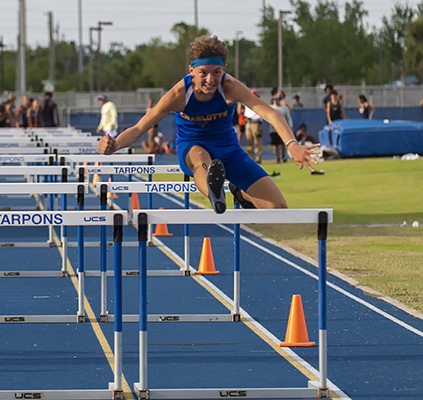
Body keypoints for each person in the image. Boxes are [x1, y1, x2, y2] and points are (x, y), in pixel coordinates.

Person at [98, 35, 319, 214]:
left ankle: (239, 192)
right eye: (203, 73)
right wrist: (115, 144)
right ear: (191, 70)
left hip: (229, 151)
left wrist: (292, 145)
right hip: (192, 150)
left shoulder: (230, 86)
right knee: (200, 156)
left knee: (278, 209)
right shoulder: (178, 94)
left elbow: (270, 113)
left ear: (224, 69)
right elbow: (139, 128)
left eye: (217, 72)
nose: (211, 80)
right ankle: (215, 193)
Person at [270, 95, 293, 163]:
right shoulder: (271, 107)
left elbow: (288, 117)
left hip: (283, 128)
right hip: (273, 128)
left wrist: (290, 126)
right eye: (275, 99)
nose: (276, 101)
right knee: (275, 144)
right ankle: (277, 158)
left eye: (278, 99)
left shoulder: (284, 108)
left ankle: (283, 156)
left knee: (283, 143)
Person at [243, 90, 263, 163]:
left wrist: (251, 118)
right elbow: (246, 112)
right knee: (249, 141)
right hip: (248, 123)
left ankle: (258, 158)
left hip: (256, 123)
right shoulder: (246, 103)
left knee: (257, 141)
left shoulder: (259, 103)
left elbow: (260, 115)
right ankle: (251, 158)